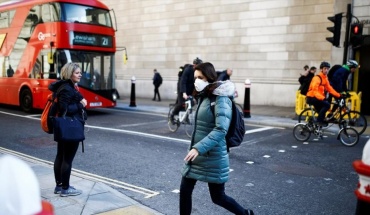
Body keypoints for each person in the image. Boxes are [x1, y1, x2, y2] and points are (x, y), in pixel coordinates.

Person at [179, 62, 254, 215]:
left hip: (213, 156)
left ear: (209, 77)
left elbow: (221, 129)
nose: (196, 81)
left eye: (200, 77)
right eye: (195, 78)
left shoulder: (221, 98)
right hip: (197, 155)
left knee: (218, 197)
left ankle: (246, 214)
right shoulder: (203, 96)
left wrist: (198, 148)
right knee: (185, 191)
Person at [48, 62, 87, 197]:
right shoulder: (67, 89)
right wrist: (80, 105)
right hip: (69, 127)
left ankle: (59, 186)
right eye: (77, 73)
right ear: (69, 74)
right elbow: (64, 109)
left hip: (63, 127)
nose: (80, 74)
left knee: (61, 156)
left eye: (80, 72)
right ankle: (65, 188)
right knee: (67, 159)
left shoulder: (66, 87)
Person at [306, 61, 341, 127]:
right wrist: (323, 98)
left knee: (322, 113)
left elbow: (329, 89)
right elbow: (315, 91)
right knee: (327, 105)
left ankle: (315, 126)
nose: (326, 70)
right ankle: (319, 121)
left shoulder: (325, 78)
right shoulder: (317, 78)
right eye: (325, 68)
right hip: (311, 97)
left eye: (328, 69)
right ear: (321, 69)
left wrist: (339, 95)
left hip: (317, 97)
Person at [170, 57, 203, 123]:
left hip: (190, 88)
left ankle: (186, 116)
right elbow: (183, 81)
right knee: (181, 103)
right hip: (182, 88)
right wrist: (184, 93)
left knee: (193, 102)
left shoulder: (198, 72)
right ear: (194, 65)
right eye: (199, 66)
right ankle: (172, 115)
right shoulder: (188, 70)